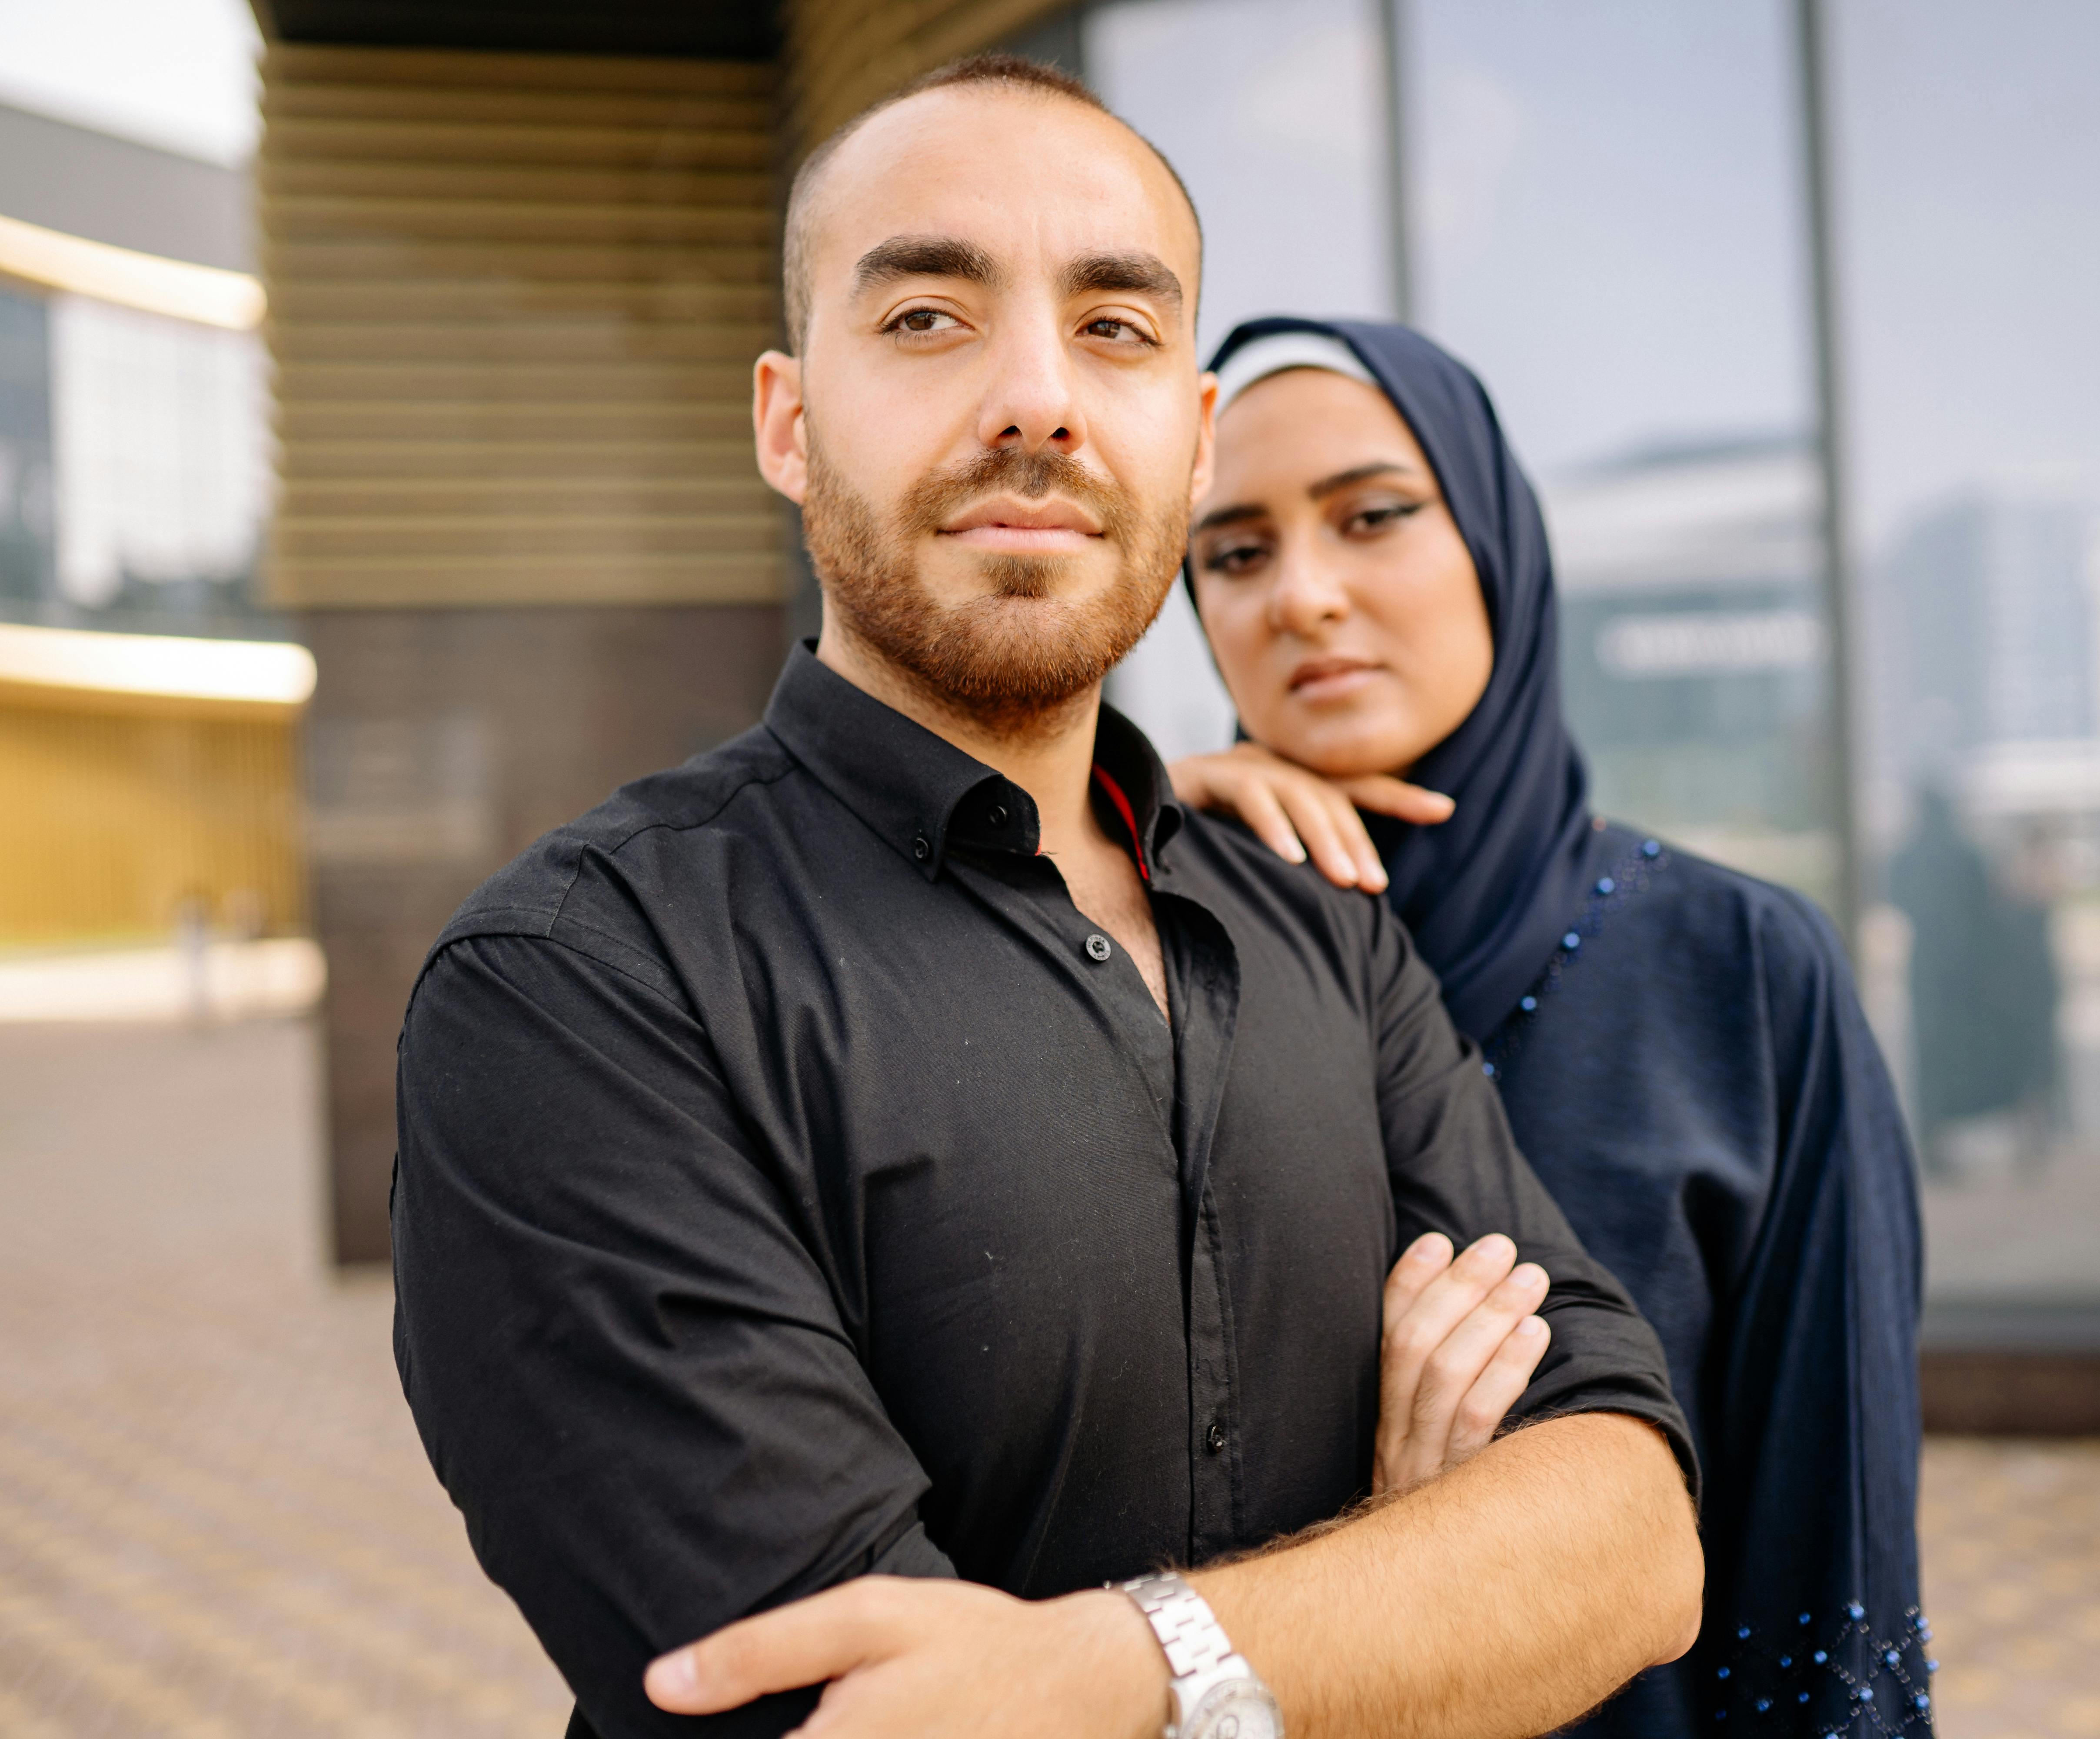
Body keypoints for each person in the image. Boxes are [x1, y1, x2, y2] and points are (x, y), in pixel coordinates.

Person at [389, 57, 1701, 1739]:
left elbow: (1636, 1546)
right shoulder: (578, 989)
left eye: (1117, 329)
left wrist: (1113, 1676)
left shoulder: (1316, 916)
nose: (1038, 402)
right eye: (930, 317)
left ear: (1193, 437)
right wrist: (1410, 1582)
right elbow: (869, 1720)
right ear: (790, 423)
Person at [1169, 318, 1930, 1739]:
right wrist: (1119, 855)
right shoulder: (1148, 943)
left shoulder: (1736, 969)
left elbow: (1831, 1552)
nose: (1307, 597)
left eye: (1374, 516)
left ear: (1498, 548)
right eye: (1235, 551)